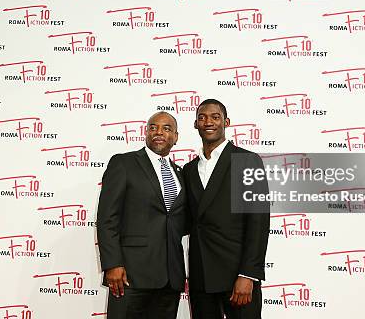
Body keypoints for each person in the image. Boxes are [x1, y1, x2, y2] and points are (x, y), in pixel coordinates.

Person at [183, 99, 269, 319]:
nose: (208, 122)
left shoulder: (247, 160)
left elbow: (258, 221)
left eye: (215, 116)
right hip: (201, 278)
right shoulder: (189, 169)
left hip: (236, 276)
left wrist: (248, 274)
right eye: (202, 117)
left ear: (226, 122)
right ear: (195, 124)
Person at [97, 111, 188, 319]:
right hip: (130, 276)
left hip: (169, 280)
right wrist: (112, 264)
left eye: (166, 129)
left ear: (175, 137)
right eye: (153, 127)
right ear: (146, 133)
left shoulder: (180, 173)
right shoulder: (124, 163)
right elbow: (107, 219)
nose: (159, 132)